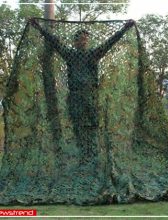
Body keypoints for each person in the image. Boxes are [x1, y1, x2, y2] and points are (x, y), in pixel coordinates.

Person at [30, 18, 134, 163]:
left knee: (93, 126)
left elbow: (109, 43)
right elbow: (55, 42)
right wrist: (39, 28)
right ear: (75, 41)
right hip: (75, 97)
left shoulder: (94, 54)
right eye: (80, 39)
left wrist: (124, 29)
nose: (84, 41)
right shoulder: (70, 54)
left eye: (86, 39)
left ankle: (94, 156)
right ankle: (83, 157)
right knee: (78, 126)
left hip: (91, 96)